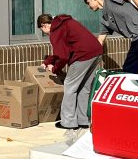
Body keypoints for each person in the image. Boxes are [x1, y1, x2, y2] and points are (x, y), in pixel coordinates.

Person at [37, 13, 102, 141]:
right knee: (84, 87)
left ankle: (68, 122)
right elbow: (63, 50)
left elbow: (63, 56)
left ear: (44, 25)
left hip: (83, 55)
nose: (45, 33)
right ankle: (83, 120)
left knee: (69, 86)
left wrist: (55, 69)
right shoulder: (64, 23)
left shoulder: (56, 31)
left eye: (42, 30)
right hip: (96, 52)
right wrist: (47, 62)